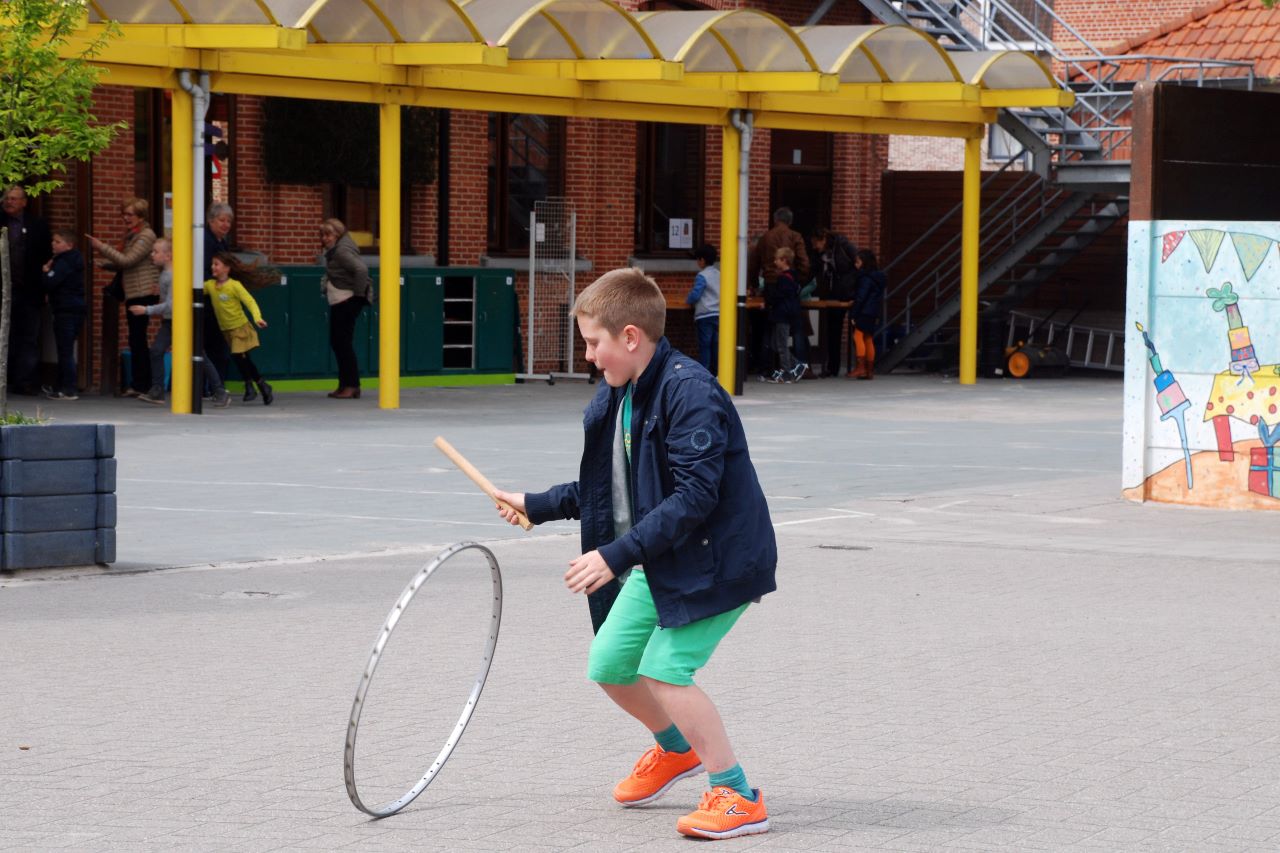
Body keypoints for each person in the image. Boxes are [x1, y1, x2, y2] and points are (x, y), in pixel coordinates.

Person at [490, 267, 776, 841]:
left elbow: (696, 495)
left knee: (666, 671)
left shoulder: (688, 392)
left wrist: (616, 555)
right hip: (660, 555)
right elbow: (605, 490)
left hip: (717, 559)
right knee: (610, 665)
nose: (590, 357)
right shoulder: (616, 399)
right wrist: (535, 505)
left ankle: (738, 794)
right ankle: (676, 751)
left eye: (593, 343)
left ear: (629, 337)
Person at [132, 239, 231, 408]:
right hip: (170, 320)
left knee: (200, 355)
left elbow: (172, 304)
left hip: (182, 320)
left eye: (155, 251)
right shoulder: (165, 274)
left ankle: (219, 391)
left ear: (168, 255)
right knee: (156, 350)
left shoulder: (172, 275)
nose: (152, 255)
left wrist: (146, 310)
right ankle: (157, 390)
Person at [88, 197, 159, 397]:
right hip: (135, 291)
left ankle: (142, 384)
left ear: (141, 216)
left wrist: (101, 247)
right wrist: (105, 264)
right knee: (135, 338)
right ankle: (139, 383)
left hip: (142, 292)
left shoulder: (145, 236)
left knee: (138, 338)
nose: (125, 218)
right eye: (124, 214)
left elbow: (128, 261)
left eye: (130, 214)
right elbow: (127, 264)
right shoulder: (133, 235)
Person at [2, 186, 52, 396]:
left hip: (30, 290)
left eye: (14, 199)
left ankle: (24, 380)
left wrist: (44, 286)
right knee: (6, 335)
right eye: (6, 198)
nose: (9, 202)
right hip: (5, 290)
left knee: (29, 336)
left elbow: (46, 255)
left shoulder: (37, 225)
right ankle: (5, 379)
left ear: (24, 201)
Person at [747, 209, 809, 377]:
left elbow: (754, 263)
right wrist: (799, 281)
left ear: (775, 220)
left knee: (769, 330)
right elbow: (805, 263)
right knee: (796, 329)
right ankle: (800, 365)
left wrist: (753, 284)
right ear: (790, 221)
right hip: (790, 288)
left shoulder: (766, 237)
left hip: (770, 284)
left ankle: (767, 367)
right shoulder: (796, 236)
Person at [205, 251, 272, 405]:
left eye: (216, 264)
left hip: (240, 327)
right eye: (212, 264)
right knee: (244, 359)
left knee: (238, 356)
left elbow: (250, 302)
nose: (212, 267)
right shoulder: (210, 286)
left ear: (226, 268)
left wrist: (257, 318)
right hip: (226, 330)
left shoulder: (234, 286)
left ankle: (250, 386)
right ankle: (262, 385)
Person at [319, 218, 374, 399]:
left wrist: (357, 296)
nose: (325, 238)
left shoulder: (341, 251)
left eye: (328, 234)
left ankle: (351, 385)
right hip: (340, 300)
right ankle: (345, 385)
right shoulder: (337, 250)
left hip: (346, 300)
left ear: (338, 235)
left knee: (342, 343)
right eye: (323, 235)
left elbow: (361, 270)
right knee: (339, 343)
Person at [39, 229, 85, 401]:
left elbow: (50, 282)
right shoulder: (73, 260)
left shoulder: (64, 262)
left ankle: (69, 389)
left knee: (65, 350)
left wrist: (45, 272)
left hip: (65, 309)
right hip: (75, 308)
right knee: (65, 349)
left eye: (58, 241)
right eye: (53, 241)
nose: (53, 244)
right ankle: (60, 386)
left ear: (69, 245)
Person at [811, 227, 858, 377]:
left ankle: (858, 365)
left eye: (815, 243)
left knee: (852, 329)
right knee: (832, 329)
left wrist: (856, 289)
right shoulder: (822, 254)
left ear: (823, 240)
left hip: (847, 292)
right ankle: (832, 367)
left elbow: (858, 264)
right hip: (833, 293)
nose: (814, 247)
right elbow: (815, 270)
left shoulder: (843, 246)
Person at [202, 202, 235, 390]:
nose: (226, 225)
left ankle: (217, 385)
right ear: (211, 221)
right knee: (211, 343)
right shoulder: (207, 241)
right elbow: (206, 269)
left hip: (219, 298)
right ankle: (211, 386)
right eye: (222, 220)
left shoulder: (223, 242)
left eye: (229, 221)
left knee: (219, 344)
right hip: (209, 298)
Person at [761, 247, 801, 383]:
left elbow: (779, 296)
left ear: (784, 260)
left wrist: (769, 300)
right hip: (786, 313)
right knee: (777, 344)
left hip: (782, 314)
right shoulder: (793, 277)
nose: (775, 261)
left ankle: (787, 373)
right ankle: (796, 365)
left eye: (777, 259)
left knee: (781, 345)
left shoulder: (784, 279)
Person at [850, 249, 887, 380]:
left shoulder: (865, 278)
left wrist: (854, 314)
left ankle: (861, 368)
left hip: (864, 311)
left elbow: (861, 297)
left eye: (858, 262)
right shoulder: (878, 277)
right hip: (873, 311)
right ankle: (869, 370)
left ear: (864, 263)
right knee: (868, 338)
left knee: (858, 335)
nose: (856, 265)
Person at [685, 243, 720, 373]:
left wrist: (688, 300)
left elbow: (696, 294)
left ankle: (705, 370)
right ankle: (717, 371)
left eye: (697, 259)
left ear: (702, 260)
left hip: (704, 315)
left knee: (705, 345)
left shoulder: (702, 276)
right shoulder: (719, 274)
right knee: (716, 345)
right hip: (718, 314)